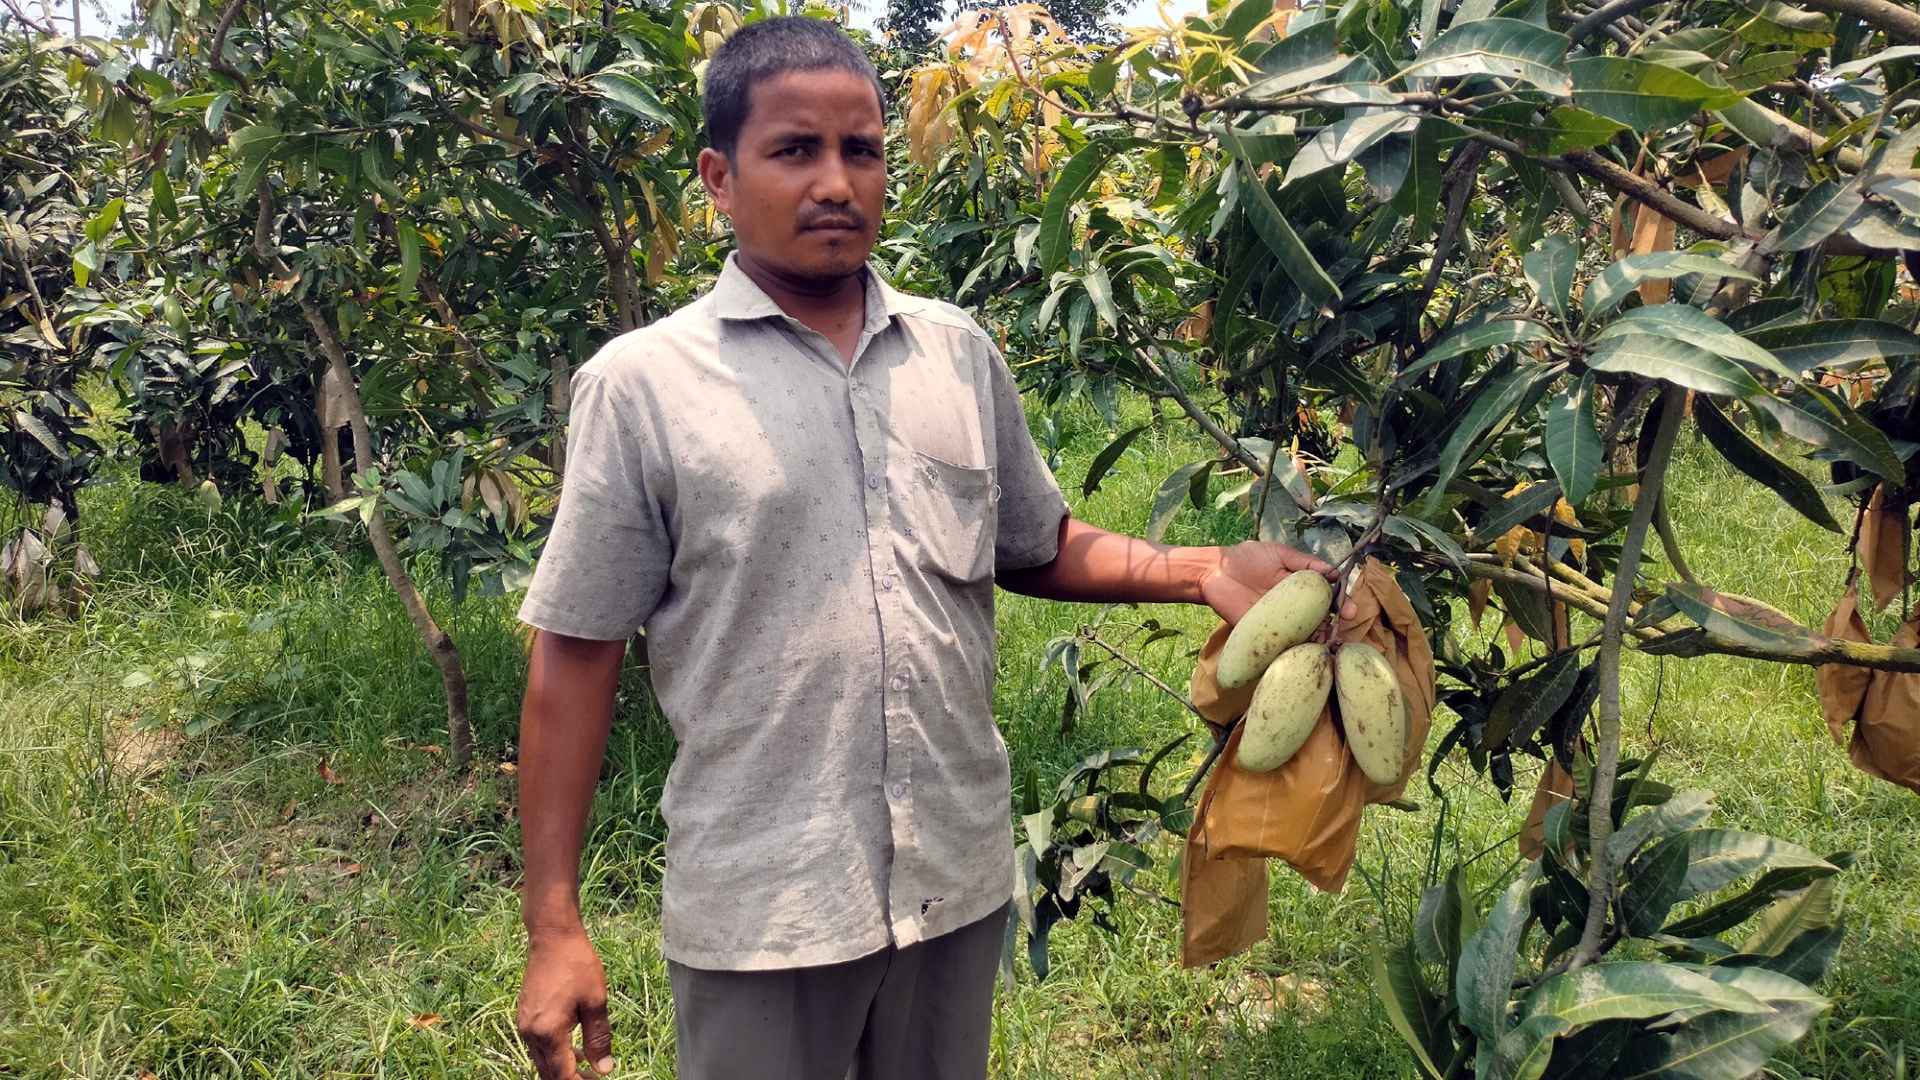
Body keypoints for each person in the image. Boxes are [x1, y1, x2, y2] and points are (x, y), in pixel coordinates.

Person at [512, 16, 1349, 1079]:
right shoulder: (645, 386)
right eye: (795, 150)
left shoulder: (955, 353)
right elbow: (575, 655)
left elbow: (1032, 543)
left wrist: (1202, 571)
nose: (836, 182)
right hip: (765, 909)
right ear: (720, 178)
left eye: (861, 150)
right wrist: (555, 925)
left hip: (952, 882)